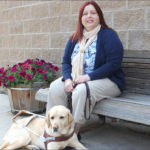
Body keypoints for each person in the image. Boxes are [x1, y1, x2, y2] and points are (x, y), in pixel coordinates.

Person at [46, 0, 125, 137]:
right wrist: (67, 79)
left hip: (108, 81)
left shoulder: (108, 35)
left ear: (99, 16)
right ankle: (56, 130)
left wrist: (89, 77)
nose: (89, 16)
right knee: (54, 87)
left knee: (82, 89)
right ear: (80, 18)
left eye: (93, 13)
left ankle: (73, 133)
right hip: (78, 78)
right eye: (85, 14)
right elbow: (65, 62)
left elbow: (114, 63)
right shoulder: (75, 38)